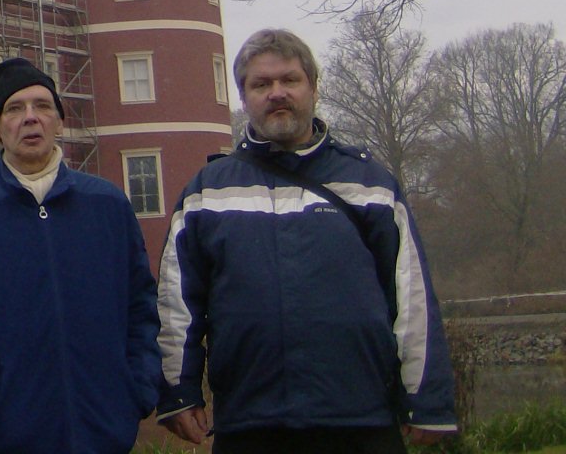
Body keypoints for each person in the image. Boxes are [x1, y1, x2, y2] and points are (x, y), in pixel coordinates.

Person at [157, 28, 457, 452]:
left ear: (313, 88)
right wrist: (178, 392)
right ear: (244, 97)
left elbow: (412, 299)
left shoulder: (370, 183)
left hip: (360, 419)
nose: (277, 93)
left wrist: (427, 400)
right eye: (261, 84)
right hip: (250, 422)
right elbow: (177, 303)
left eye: (289, 81)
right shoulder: (207, 192)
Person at [0, 57, 161, 454]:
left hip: (106, 430)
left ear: (59, 122)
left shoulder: (108, 206)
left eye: (43, 106)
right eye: (14, 109)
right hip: (8, 435)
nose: (30, 118)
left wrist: (136, 389)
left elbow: (140, 306)